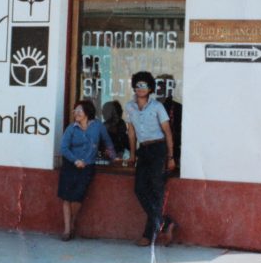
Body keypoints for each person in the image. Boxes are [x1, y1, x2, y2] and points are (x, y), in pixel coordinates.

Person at [124, 71, 177, 247]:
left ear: (150, 88)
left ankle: (148, 234)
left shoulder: (157, 107)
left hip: (158, 149)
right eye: (138, 85)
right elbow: (131, 132)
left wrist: (170, 157)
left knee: (155, 190)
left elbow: (168, 132)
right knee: (139, 189)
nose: (140, 88)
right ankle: (165, 222)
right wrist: (132, 155)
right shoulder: (130, 107)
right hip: (143, 150)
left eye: (144, 85)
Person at [58, 99, 115, 241]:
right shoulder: (71, 128)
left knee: (78, 197)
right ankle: (66, 229)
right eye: (75, 110)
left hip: (87, 166)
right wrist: (75, 160)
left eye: (79, 110)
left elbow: (107, 142)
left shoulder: (98, 126)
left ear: (87, 112)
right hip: (70, 166)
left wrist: (114, 157)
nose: (76, 113)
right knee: (66, 197)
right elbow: (64, 148)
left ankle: (71, 222)